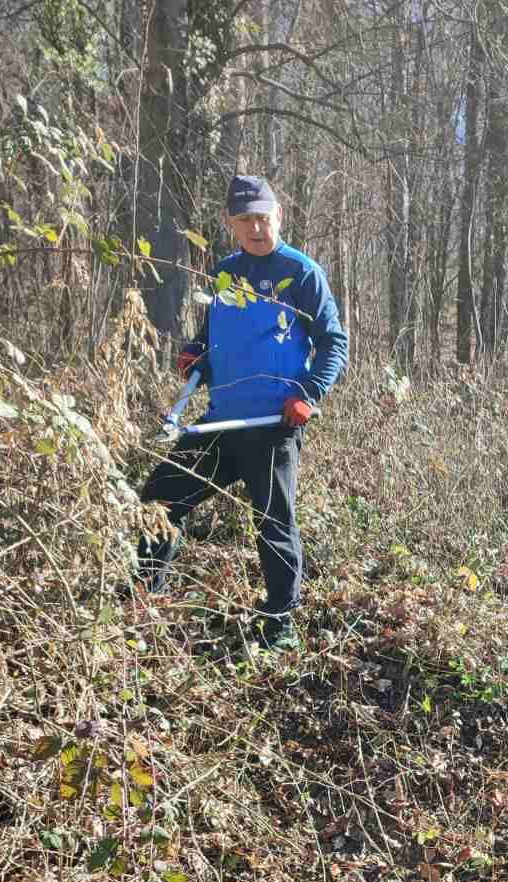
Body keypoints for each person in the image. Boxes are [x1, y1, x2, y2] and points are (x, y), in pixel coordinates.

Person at [128, 174, 349, 651]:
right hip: (221, 418)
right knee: (160, 496)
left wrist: (309, 393)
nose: (256, 227)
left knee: (273, 522)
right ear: (231, 222)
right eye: (245, 219)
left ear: (279, 217)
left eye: (263, 218)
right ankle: (144, 598)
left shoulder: (301, 272)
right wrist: (195, 354)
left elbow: (335, 342)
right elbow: (213, 338)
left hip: (273, 424)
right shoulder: (226, 273)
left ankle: (279, 622)